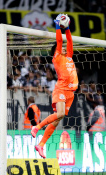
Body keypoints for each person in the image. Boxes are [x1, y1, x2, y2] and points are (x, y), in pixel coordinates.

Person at [30, 14, 78, 158]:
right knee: (61, 114)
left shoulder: (69, 56)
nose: (63, 47)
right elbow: (59, 40)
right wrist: (58, 26)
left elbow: (69, 40)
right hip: (61, 89)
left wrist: (67, 28)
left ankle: (41, 145)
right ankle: (37, 127)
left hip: (70, 92)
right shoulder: (57, 57)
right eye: (61, 47)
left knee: (57, 120)